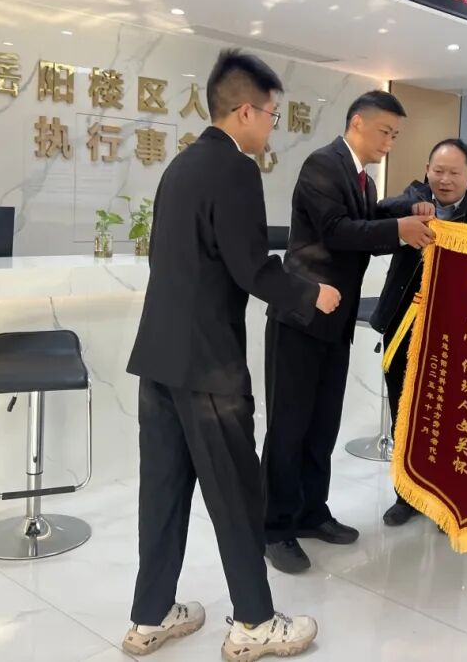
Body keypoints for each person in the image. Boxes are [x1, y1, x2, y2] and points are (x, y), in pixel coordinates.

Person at [123, 49, 338, 659]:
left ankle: (150, 616)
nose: (272, 127)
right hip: (209, 367)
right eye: (272, 115)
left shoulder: (180, 165)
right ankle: (254, 622)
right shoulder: (237, 170)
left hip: (159, 359)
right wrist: (313, 295)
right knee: (238, 496)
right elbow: (252, 268)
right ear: (245, 111)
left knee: (161, 495)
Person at [262, 90, 435, 574]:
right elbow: (337, 230)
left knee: (322, 425)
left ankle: (311, 513)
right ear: (357, 122)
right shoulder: (323, 164)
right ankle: (274, 528)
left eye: (395, 135)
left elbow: (366, 227)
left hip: (335, 321)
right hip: (300, 317)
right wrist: (398, 229)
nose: (390, 142)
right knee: (289, 427)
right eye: (385, 132)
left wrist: (405, 220)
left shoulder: (362, 178)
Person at [370, 138, 467, 527]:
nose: (445, 180)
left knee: (451, 415)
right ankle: (406, 495)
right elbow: (379, 211)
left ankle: (446, 500)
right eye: (438, 171)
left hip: (456, 334)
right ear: (427, 170)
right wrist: (414, 205)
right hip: (404, 327)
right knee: (404, 410)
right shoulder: (412, 200)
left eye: (454, 172)